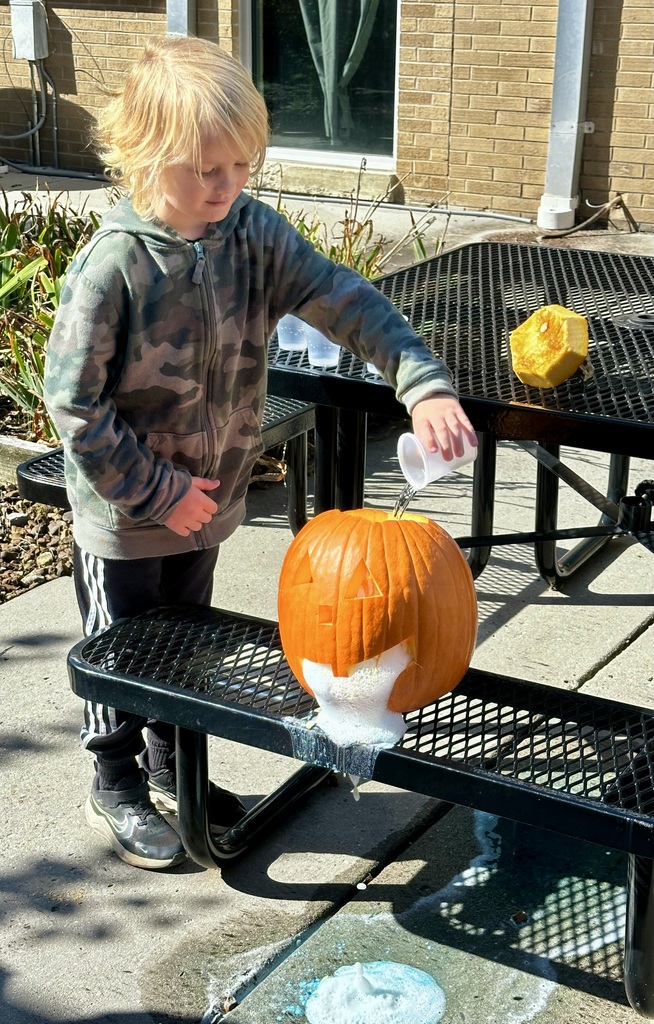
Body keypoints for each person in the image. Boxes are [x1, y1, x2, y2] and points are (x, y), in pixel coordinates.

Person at [43, 35, 477, 871]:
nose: (227, 186)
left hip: (208, 502)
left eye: (240, 165)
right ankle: (116, 777)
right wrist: (158, 492)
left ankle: (178, 763)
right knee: (119, 647)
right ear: (142, 157)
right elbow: (75, 406)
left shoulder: (253, 235)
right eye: (205, 169)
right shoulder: (114, 268)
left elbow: (345, 299)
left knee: (189, 644)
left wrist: (420, 381)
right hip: (124, 516)